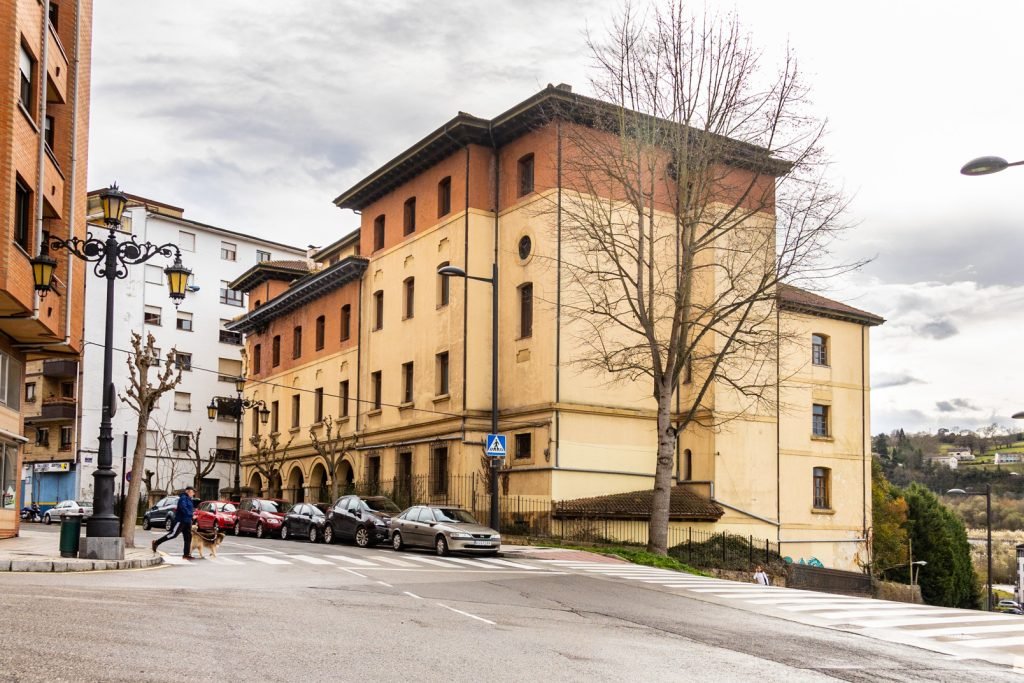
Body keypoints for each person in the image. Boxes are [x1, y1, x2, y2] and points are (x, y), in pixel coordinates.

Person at [152, 486, 195, 560]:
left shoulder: (189, 499)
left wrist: (191, 517)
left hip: (187, 521)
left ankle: (186, 554)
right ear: (188, 491)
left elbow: (189, 509)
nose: (193, 493)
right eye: (192, 492)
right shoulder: (183, 498)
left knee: (188, 537)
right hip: (181, 520)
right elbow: (183, 508)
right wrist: (191, 515)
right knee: (173, 534)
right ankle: (156, 543)